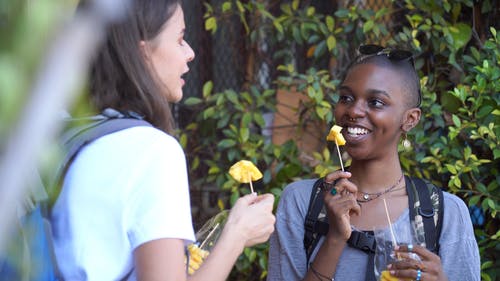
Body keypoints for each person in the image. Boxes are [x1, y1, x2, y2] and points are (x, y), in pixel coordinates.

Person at [50, 1, 275, 280]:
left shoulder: (63, 132)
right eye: (180, 39)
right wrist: (237, 234)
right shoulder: (151, 151)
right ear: (142, 53)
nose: (190, 53)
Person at [267, 45, 480, 281]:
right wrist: (335, 238)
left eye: (375, 102)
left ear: (410, 119)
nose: (354, 111)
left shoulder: (444, 213)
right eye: (346, 98)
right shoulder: (302, 202)